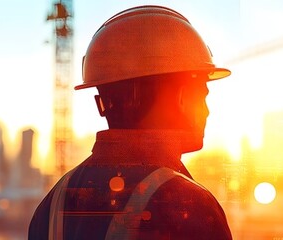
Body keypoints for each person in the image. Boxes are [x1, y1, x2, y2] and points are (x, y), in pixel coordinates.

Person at [28, 5, 232, 240]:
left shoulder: (51, 205)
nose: (207, 111)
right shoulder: (189, 205)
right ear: (181, 97)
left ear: (102, 103)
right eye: (202, 96)